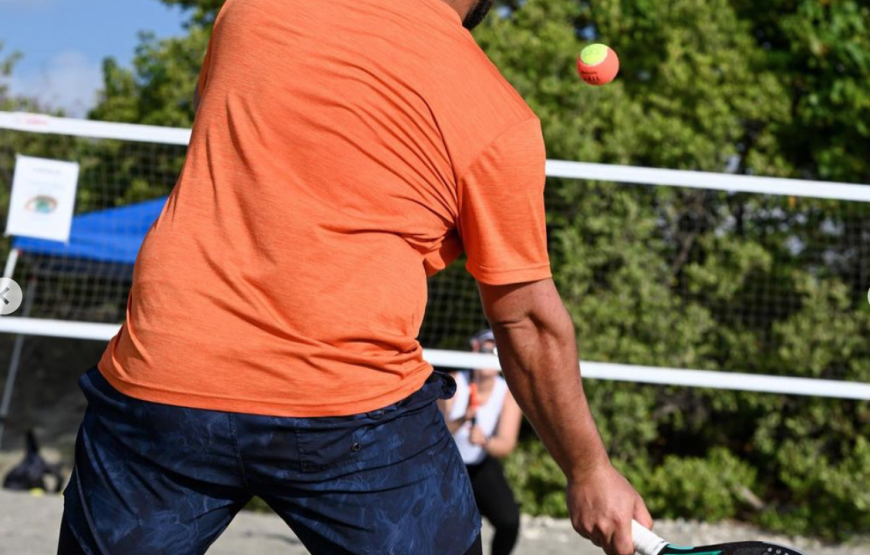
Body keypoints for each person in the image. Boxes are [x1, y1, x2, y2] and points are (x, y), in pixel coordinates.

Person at [58, 0, 652, 554]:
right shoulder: (498, 118)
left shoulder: (249, 12)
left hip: (162, 375)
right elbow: (525, 317)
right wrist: (589, 471)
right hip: (347, 408)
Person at [441, 329, 523, 555]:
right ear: (474, 350)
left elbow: (506, 445)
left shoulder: (507, 391)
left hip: (481, 465)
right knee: (458, 531)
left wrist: (484, 441)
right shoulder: (454, 382)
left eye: (495, 350)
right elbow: (434, 433)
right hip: (448, 468)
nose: (489, 355)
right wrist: (462, 419)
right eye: (484, 349)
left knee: (509, 522)